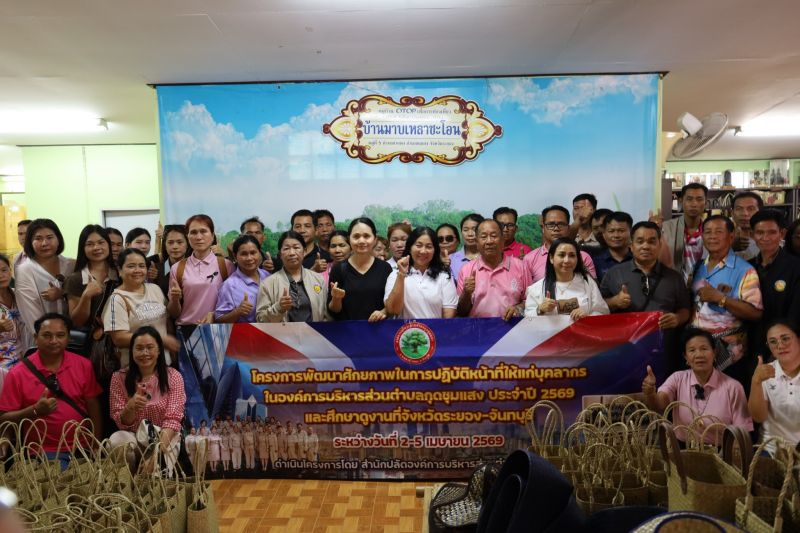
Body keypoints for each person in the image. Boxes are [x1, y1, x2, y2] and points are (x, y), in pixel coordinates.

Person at [0, 313, 102, 468]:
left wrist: (96, 444)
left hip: (83, 447)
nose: (54, 341)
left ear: (68, 338)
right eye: (47, 335)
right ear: (36, 337)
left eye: (60, 335)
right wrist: (34, 410)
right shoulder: (17, 373)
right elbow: (4, 419)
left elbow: (93, 407)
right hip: (42, 452)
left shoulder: (83, 365)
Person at [600, 221, 691, 374]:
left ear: (660, 245)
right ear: (631, 245)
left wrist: (677, 318)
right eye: (640, 241)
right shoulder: (614, 273)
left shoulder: (674, 277)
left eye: (652, 241)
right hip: (624, 352)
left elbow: (685, 309)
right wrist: (614, 302)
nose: (646, 246)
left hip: (664, 353)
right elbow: (597, 308)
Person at [642, 328, 752, 445]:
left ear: (714, 353)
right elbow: (660, 405)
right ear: (686, 357)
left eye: (704, 349)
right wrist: (650, 393)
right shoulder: (677, 378)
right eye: (692, 350)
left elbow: (742, 432)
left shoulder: (733, 387)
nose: (699, 355)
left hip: (720, 451)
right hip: (682, 450)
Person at [691, 215, 762, 390]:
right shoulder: (698, 267)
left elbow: (756, 313)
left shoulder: (744, 270)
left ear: (731, 236)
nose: (712, 236)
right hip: (697, 353)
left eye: (718, 231)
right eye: (708, 232)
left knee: (729, 400)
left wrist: (720, 298)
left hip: (730, 357)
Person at [108, 326, 186, 472]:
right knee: (116, 441)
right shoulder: (118, 378)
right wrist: (130, 407)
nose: (145, 353)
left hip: (165, 438)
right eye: (139, 348)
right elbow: (122, 423)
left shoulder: (174, 377)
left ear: (159, 350)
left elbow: (173, 420)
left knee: (156, 472)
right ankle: (128, 480)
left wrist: (157, 454)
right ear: (131, 351)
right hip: (135, 438)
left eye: (150, 347)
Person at [103, 249, 181, 367]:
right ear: (120, 270)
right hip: (136, 367)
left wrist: (175, 300)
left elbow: (169, 318)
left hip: (163, 364)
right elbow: (119, 338)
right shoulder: (117, 299)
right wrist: (160, 340)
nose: (137, 270)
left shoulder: (154, 289)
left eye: (142, 266)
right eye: (131, 266)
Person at [14, 219, 75, 350]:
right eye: (38, 238)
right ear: (30, 242)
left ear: (58, 239)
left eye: (49, 237)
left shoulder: (71, 265)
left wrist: (62, 293)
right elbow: (30, 313)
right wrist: (50, 338)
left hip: (74, 337)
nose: (44, 243)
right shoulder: (25, 270)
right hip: (41, 340)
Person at [749, 210, 800, 360]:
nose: (765, 238)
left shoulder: (796, 267)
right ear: (752, 235)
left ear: (782, 234)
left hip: (784, 346)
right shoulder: (746, 267)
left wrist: (781, 345)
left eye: (772, 232)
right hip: (750, 344)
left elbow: (796, 313)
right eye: (760, 232)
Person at [167, 214, 233, 326]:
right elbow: (174, 314)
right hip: (186, 329)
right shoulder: (177, 268)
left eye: (203, 231)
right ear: (188, 237)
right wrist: (174, 299)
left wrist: (214, 315)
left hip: (217, 329)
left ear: (212, 236)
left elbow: (233, 304)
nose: (198, 237)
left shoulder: (226, 265)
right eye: (193, 232)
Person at [523, 238, 609, 319]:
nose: (567, 260)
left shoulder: (587, 282)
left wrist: (587, 317)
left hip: (582, 330)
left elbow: (603, 312)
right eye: (561, 255)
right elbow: (527, 319)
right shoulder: (536, 289)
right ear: (551, 258)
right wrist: (540, 309)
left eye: (572, 255)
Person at [749, 320, 800, 455]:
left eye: (785, 339)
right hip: (770, 448)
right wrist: (756, 381)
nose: (780, 345)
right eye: (773, 341)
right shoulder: (766, 372)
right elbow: (758, 417)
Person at [456, 219, 526, 318]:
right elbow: (461, 312)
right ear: (477, 242)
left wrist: (518, 309)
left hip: (512, 326)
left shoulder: (520, 266)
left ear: (502, 240)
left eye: (494, 236)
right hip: (478, 327)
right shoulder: (466, 270)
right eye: (483, 237)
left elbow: (530, 302)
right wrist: (466, 293)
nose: (489, 241)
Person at [384, 227, 458, 319]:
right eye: (418, 245)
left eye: (429, 247)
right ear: (410, 248)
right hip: (405, 329)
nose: (423, 251)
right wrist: (401, 275)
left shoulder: (444, 276)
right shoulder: (395, 274)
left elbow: (448, 317)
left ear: (435, 250)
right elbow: (393, 310)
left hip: (435, 328)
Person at [329, 218, 393, 322]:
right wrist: (336, 298)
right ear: (349, 239)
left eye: (366, 236)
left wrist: (383, 312)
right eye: (356, 236)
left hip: (378, 328)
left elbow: (392, 304)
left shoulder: (385, 268)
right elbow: (333, 310)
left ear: (375, 239)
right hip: (347, 330)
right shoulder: (338, 269)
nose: (361, 241)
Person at [256, 231, 328, 323]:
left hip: (314, 332)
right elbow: (260, 320)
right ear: (280, 254)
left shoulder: (318, 279)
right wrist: (278, 308)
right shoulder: (268, 284)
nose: (292, 253)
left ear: (304, 251)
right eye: (286, 249)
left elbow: (326, 315)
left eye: (296, 247)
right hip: (281, 333)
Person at [65, 225, 119, 341]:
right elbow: (77, 321)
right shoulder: (75, 279)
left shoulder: (120, 274)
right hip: (92, 342)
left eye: (101, 242)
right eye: (90, 244)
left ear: (108, 245)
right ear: (83, 248)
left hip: (120, 338)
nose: (96, 247)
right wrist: (86, 296)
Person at [523, 205, 596, 285]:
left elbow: (592, 288)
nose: (556, 228)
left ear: (568, 227)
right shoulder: (529, 259)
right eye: (551, 225)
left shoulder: (583, 257)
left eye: (561, 224)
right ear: (543, 227)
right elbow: (527, 290)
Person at [660, 182, 707, 284]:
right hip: (673, 285)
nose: (694, 204)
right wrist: (653, 230)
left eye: (699, 199)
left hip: (704, 286)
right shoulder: (666, 228)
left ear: (705, 202)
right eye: (689, 199)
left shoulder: (711, 230)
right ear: (681, 201)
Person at [215, 235, 269, 323]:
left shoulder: (267, 276)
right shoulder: (229, 285)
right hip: (244, 332)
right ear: (235, 256)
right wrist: (237, 312)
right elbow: (219, 319)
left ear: (259, 253)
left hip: (271, 331)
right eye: (244, 254)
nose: (249, 258)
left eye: (253, 253)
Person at [592, 211, 633, 282]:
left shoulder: (639, 260)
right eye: (611, 231)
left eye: (621, 231)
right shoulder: (595, 262)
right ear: (604, 234)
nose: (616, 235)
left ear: (631, 233)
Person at [0, 255, 24, 368]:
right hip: (3, 364)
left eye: (4, 270)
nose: (1, 275)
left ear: (10, 271)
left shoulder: (19, 294)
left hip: (25, 356)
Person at [154, 224, 190, 297]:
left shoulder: (195, 268)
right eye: (170, 242)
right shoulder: (155, 270)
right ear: (165, 245)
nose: (175, 247)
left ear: (187, 244)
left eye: (179, 242)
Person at [449, 214, 483, 282]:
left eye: (474, 229)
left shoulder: (490, 257)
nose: (470, 234)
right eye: (465, 230)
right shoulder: (450, 259)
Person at [731, 191, 763, 261]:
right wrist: (730, 248)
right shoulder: (718, 239)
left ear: (760, 212)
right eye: (739, 208)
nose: (745, 213)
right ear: (732, 213)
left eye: (751, 209)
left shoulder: (772, 240)